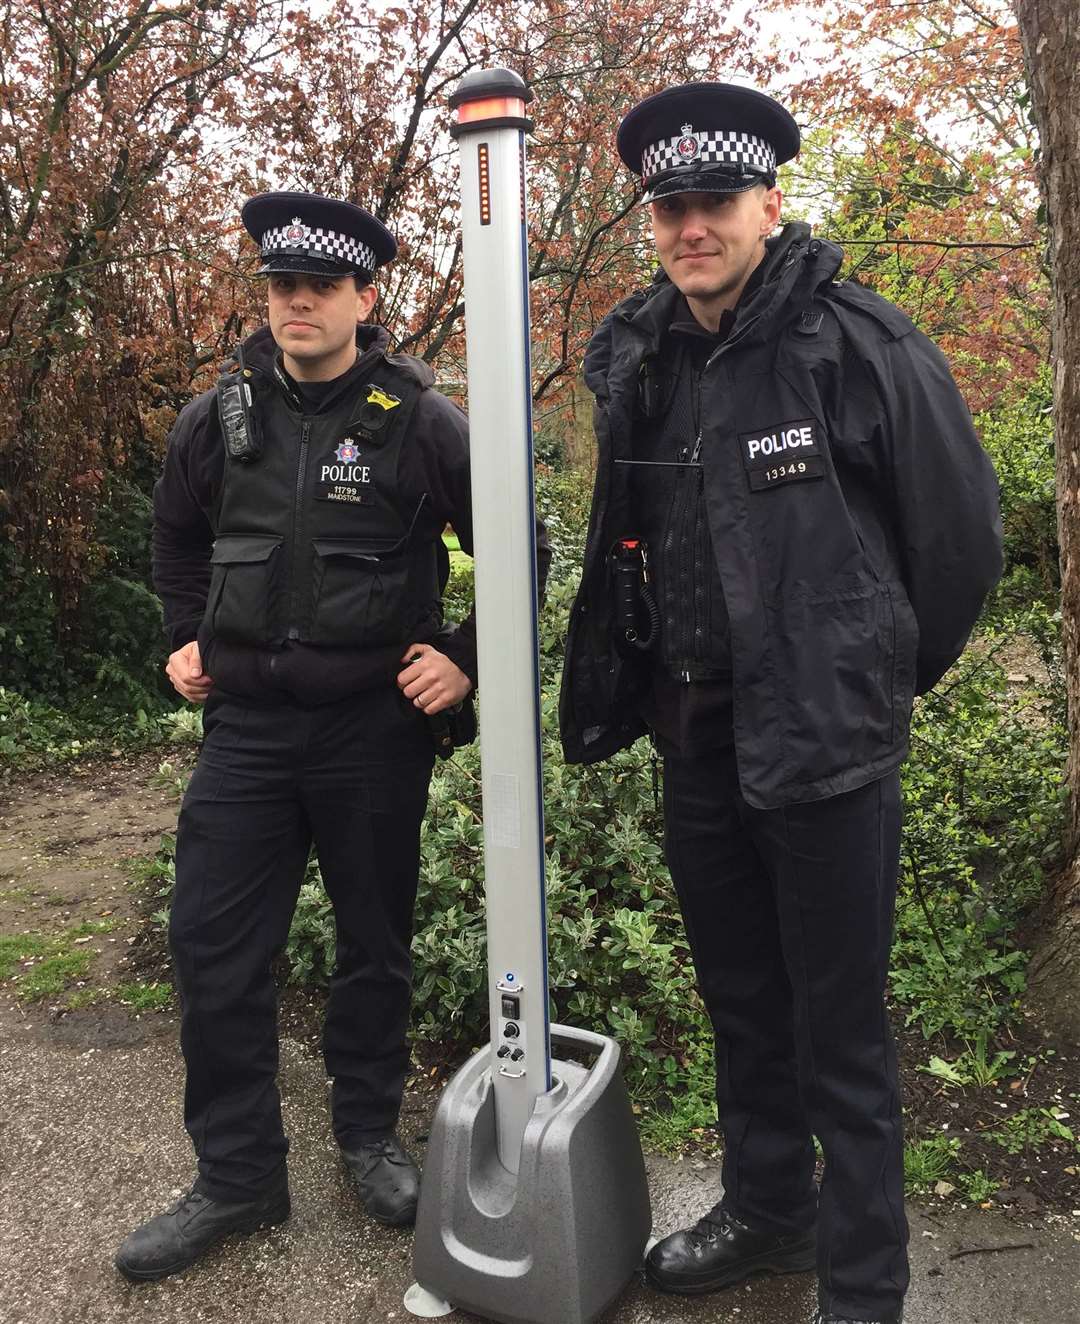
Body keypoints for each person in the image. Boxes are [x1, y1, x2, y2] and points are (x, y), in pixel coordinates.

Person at [559, 84, 1002, 1324]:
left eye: (714, 203)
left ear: (769, 202)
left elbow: (961, 539)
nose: (690, 225)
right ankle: (769, 1210)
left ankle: (863, 1287)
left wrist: (866, 676)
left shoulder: (856, 343)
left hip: (826, 747)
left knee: (841, 1037)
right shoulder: (642, 353)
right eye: (670, 206)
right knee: (740, 998)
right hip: (694, 733)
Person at [117, 192, 548, 1281]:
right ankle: (238, 1175)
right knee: (212, 948)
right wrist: (181, 632)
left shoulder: (419, 421)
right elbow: (173, 533)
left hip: (372, 730)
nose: (297, 302)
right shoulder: (221, 418)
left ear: (364, 297)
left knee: (372, 947)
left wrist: (466, 653)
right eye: (280, 285)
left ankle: (366, 1135)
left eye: (320, 286)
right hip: (248, 732)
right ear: (266, 296)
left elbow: (516, 541)